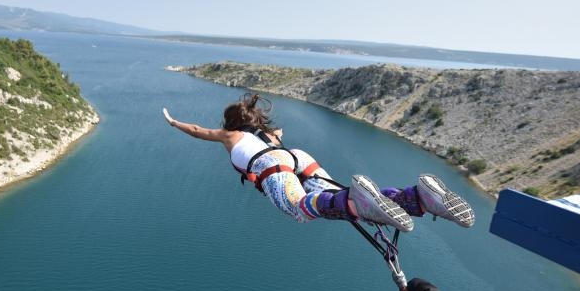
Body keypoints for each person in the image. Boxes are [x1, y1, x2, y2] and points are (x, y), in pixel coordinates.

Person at [162, 93, 474, 231]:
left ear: (231, 123)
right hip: (296, 157)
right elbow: (277, 131)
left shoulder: (229, 135)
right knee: (335, 193)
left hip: (269, 166)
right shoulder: (268, 133)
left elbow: (198, 131)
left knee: (300, 208)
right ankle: (419, 198)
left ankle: (361, 203)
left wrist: (174, 122)